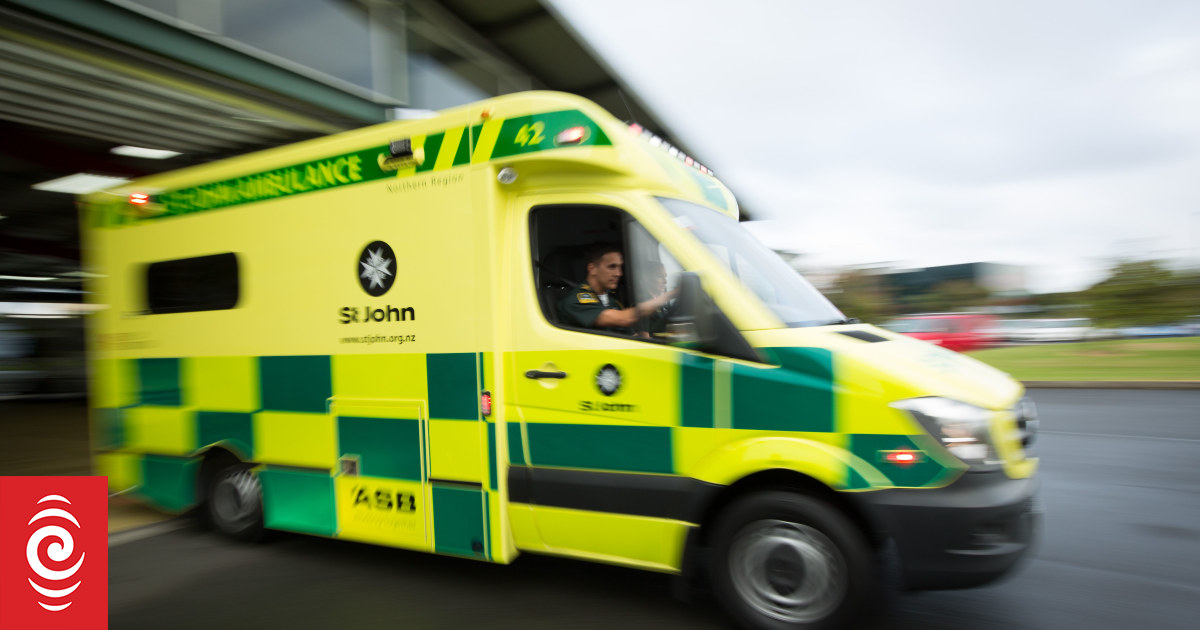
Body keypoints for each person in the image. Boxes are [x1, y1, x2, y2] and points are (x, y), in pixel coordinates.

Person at [558, 244, 674, 335]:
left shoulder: (611, 299)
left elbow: (628, 332)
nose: (619, 273)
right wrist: (671, 294)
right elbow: (625, 319)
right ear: (592, 268)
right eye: (612, 267)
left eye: (620, 267)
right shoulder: (576, 300)